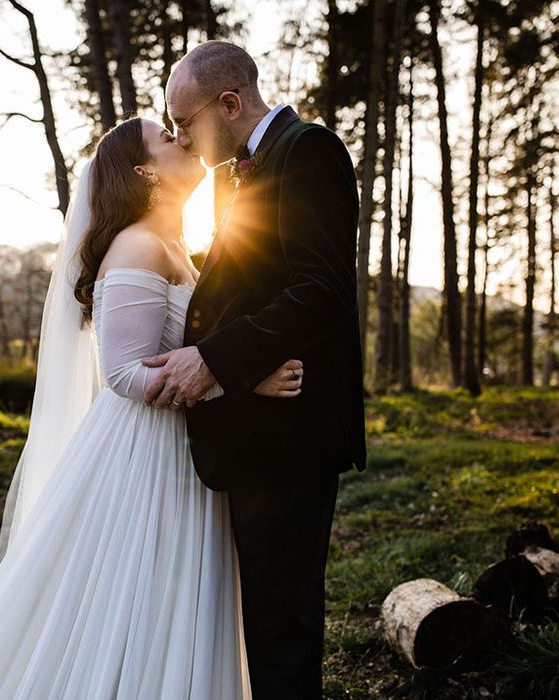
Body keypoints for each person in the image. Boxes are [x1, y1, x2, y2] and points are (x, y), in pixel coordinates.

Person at [0, 116, 303, 699]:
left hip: (182, 446)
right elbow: (123, 373)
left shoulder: (171, 244)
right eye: (168, 138)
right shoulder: (137, 244)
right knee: (143, 592)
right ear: (144, 171)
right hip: (145, 453)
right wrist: (237, 383)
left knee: (170, 593)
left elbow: (185, 349)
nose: (184, 140)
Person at [142, 41, 367, 699]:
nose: (182, 138)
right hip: (259, 428)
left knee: (281, 631)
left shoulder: (309, 151)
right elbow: (252, 286)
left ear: (230, 103)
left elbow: (320, 290)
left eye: (186, 122)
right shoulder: (242, 171)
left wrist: (214, 358)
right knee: (263, 623)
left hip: (291, 435)